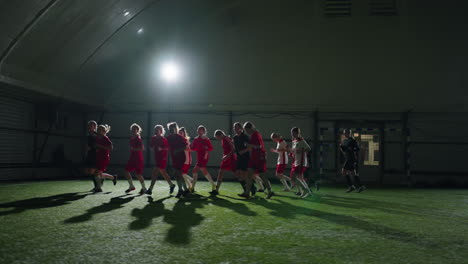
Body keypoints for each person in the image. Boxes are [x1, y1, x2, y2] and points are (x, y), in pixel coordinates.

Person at [240, 122, 274, 199]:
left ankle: (270, 191)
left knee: (262, 175)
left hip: (259, 157)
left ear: (250, 128)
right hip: (254, 157)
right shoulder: (253, 134)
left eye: (246, 130)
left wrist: (249, 145)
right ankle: (247, 193)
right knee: (250, 175)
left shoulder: (256, 134)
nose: (246, 132)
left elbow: (259, 146)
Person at [146, 125, 176, 195]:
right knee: (164, 173)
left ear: (161, 131)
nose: (156, 131)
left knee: (154, 173)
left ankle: (150, 189)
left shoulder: (164, 139)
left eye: (158, 130)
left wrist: (161, 149)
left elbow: (167, 148)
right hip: (157, 158)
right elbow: (151, 146)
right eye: (156, 130)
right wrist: (151, 147)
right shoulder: (153, 138)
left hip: (163, 158)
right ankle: (172, 185)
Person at [166, 122, 190, 198]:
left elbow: (186, 147)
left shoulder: (180, 137)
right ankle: (184, 190)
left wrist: (178, 150)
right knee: (177, 175)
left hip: (180, 157)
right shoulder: (168, 138)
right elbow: (166, 146)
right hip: (174, 158)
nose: (171, 130)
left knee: (178, 173)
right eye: (169, 129)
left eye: (172, 128)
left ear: (175, 129)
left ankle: (182, 190)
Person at [190, 125, 216, 193]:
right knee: (203, 171)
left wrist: (206, 148)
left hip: (205, 157)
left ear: (203, 131)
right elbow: (193, 148)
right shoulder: (196, 139)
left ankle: (192, 188)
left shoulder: (206, 139)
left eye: (200, 130)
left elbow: (211, 148)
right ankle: (213, 184)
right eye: (198, 130)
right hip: (199, 157)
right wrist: (189, 146)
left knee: (195, 170)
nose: (199, 131)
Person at [233, 122, 256, 196]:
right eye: (234, 127)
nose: (235, 129)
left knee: (244, 175)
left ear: (241, 128)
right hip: (238, 158)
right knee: (237, 175)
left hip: (245, 158)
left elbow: (250, 147)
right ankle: (251, 188)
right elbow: (236, 148)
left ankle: (248, 190)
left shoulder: (245, 137)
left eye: (236, 127)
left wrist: (243, 151)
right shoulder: (235, 138)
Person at [212, 129, 237, 195]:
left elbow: (233, 149)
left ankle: (248, 188)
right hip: (226, 158)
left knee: (237, 174)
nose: (218, 139)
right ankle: (216, 190)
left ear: (220, 135)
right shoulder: (223, 140)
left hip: (231, 158)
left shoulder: (226, 139)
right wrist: (225, 156)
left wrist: (227, 156)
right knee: (220, 173)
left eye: (217, 137)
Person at [340, 129, 366, 193]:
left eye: (346, 133)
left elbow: (357, 148)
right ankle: (360, 186)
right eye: (344, 133)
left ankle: (351, 186)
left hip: (351, 159)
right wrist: (341, 148)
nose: (345, 134)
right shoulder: (345, 140)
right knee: (353, 173)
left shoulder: (353, 140)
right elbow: (344, 150)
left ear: (349, 133)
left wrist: (350, 149)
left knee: (344, 171)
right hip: (347, 158)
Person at [123, 123, 146, 194]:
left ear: (137, 130)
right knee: (126, 171)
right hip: (132, 158)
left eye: (135, 129)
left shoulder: (138, 139)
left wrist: (134, 149)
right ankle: (131, 186)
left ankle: (144, 188)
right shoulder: (131, 138)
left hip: (138, 158)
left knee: (138, 174)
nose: (133, 130)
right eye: (132, 129)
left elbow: (142, 148)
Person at [290, 127, 313, 198]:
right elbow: (294, 150)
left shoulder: (301, 140)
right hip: (296, 161)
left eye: (293, 133)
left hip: (301, 161)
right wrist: (291, 153)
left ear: (297, 133)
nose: (292, 135)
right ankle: (308, 191)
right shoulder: (294, 141)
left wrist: (301, 151)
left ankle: (305, 189)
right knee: (300, 178)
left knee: (293, 177)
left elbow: (309, 148)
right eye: (291, 133)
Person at [93, 124, 117, 192]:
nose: (98, 131)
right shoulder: (97, 138)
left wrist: (100, 146)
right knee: (98, 174)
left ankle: (99, 188)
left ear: (104, 131)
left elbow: (111, 148)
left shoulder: (105, 138)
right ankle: (113, 177)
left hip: (104, 158)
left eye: (99, 130)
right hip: (98, 157)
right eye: (98, 129)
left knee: (97, 173)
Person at [84, 120, 99, 191]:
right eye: (89, 126)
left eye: (91, 126)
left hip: (95, 155)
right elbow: (88, 145)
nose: (89, 127)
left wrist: (94, 148)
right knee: (87, 171)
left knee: (92, 171)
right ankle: (102, 179)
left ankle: (97, 186)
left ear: (95, 127)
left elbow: (98, 145)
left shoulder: (97, 135)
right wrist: (87, 151)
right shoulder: (88, 135)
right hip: (89, 154)